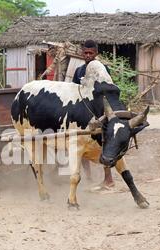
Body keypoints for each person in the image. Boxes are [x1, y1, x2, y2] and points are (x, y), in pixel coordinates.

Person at [72, 40, 114, 188]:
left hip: (100, 112)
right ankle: (88, 177)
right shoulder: (78, 71)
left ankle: (108, 179)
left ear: (96, 53)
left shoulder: (103, 69)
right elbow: (74, 91)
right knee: (81, 143)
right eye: (86, 53)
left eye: (91, 53)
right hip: (83, 114)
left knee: (105, 143)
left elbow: (108, 90)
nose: (88, 55)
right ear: (82, 53)